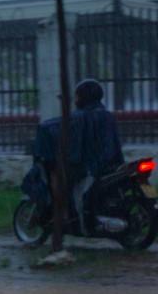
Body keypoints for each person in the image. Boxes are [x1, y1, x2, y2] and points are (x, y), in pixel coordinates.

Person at [29, 79, 124, 232]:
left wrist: (42, 133)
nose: (75, 99)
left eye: (77, 96)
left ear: (83, 97)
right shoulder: (106, 115)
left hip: (90, 166)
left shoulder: (83, 117)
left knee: (56, 174)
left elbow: (53, 126)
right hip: (110, 163)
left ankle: (63, 213)